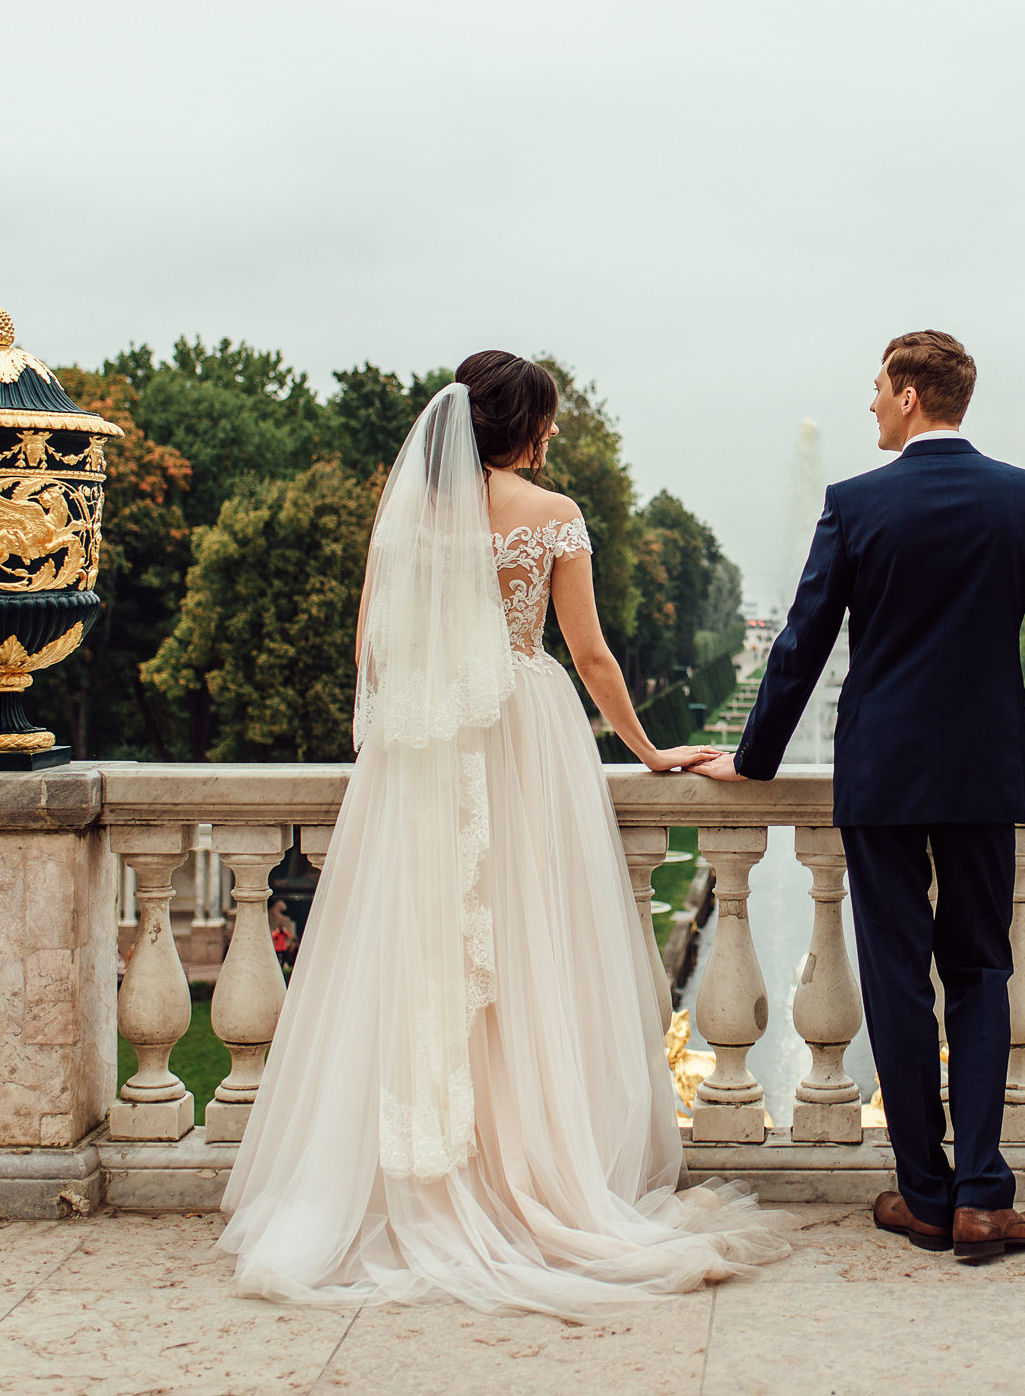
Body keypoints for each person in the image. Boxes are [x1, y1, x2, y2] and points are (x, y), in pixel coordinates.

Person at [219, 353, 788, 1316]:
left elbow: (370, 651)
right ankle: (525, 1166)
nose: (555, 436)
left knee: (419, 954)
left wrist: (433, 695)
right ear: (523, 424)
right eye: (549, 420)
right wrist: (648, 750)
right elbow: (592, 652)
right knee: (527, 949)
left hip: (425, 747)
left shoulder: (404, 518)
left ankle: (420, 1177)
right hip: (523, 737)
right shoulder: (551, 513)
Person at [695, 330, 1025, 1262]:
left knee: (898, 980)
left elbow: (799, 645)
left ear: (911, 396)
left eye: (877, 388)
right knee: (982, 973)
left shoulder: (856, 503)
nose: (869, 404)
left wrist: (752, 762)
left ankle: (924, 1192)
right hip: (987, 773)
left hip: (882, 773)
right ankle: (985, 1197)